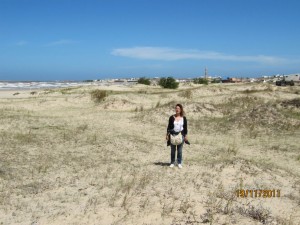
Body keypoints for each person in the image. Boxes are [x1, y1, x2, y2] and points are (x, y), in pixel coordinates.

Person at [166, 104, 189, 169]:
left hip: (181, 135)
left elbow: (185, 128)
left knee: (180, 150)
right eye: (176, 108)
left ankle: (179, 162)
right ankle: (172, 162)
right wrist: (167, 134)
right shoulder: (171, 117)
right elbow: (169, 127)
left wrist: (186, 136)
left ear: (181, 109)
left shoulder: (183, 118)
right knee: (173, 150)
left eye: (178, 108)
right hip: (172, 135)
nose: (177, 109)